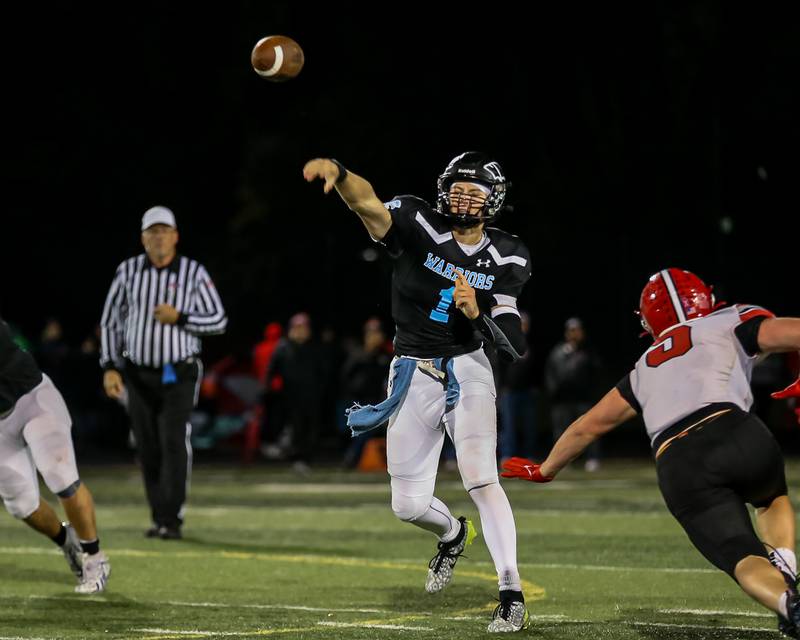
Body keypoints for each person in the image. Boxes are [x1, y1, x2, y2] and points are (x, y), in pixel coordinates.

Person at [501, 267, 800, 637]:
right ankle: (786, 569)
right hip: (737, 431)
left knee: (741, 556)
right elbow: (794, 333)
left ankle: (789, 604)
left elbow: (587, 426)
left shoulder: (644, 367)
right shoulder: (727, 322)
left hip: (680, 462)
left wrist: (545, 469)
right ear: (703, 298)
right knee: (771, 498)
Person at [303, 152, 532, 632]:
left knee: (481, 479)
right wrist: (340, 174)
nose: (465, 198)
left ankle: (511, 590)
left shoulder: (508, 253)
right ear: (443, 188)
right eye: (459, 187)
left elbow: (514, 343)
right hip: (412, 367)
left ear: (495, 199)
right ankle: (452, 534)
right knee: (406, 505)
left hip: (468, 366)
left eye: (476, 191)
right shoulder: (416, 221)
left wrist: (477, 314)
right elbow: (366, 205)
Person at [100, 206, 227, 540]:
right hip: (139, 374)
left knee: (173, 440)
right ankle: (159, 516)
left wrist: (181, 317)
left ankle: (173, 517)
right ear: (143, 238)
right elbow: (111, 322)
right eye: (152, 232)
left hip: (179, 371)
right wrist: (110, 366)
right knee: (146, 446)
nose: (158, 237)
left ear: (175, 236)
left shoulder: (193, 272)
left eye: (164, 231)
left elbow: (218, 319)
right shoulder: (127, 272)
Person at [0, 314, 110, 593]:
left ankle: (95, 556)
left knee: (59, 474)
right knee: (21, 505)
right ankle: (67, 541)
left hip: (32, 400)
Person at [264, 312, 324, 473]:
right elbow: (271, 370)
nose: (300, 331)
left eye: (303, 328)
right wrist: (269, 389)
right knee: (295, 427)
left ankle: (306, 458)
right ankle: (296, 457)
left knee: (311, 428)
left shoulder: (314, 347)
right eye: (297, 328)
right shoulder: (283, 347)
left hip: (311, 396)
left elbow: (324, 372)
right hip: (290, 397)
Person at [544, 317, 604, 471]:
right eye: (572, 331)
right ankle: (561, 461)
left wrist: (592, 392)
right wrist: (554, 392)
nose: (574, 334)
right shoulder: (558, 351)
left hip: (583, 398)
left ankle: (592, 458)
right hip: (562, 400)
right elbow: (550, 374)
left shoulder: (589, 352)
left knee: (589, 429)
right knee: (562, 432)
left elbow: (596, 374)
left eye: (577, 330)